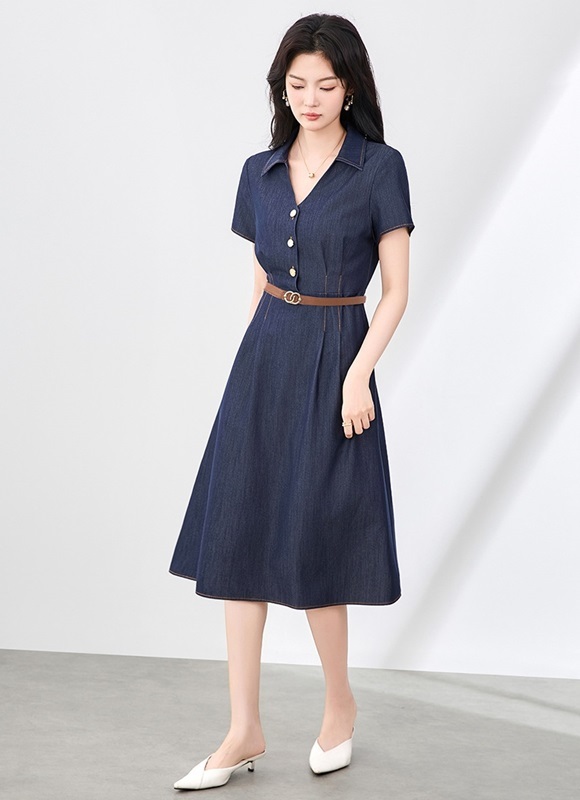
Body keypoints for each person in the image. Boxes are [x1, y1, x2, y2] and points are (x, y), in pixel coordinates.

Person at [169, 12, 414, 791]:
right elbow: (261, 279)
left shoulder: (379, 169)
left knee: (315, 540)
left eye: (326, 85)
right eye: (297, 84)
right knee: (237, 538)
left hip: (338, 354)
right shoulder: (260, 170)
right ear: (282, 88)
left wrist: (358, 375)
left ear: (352, 89)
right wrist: (249, 366)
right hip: (265, 360)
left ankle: (339, 704)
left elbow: (396, 291)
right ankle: (243, 727)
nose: (310, 99)